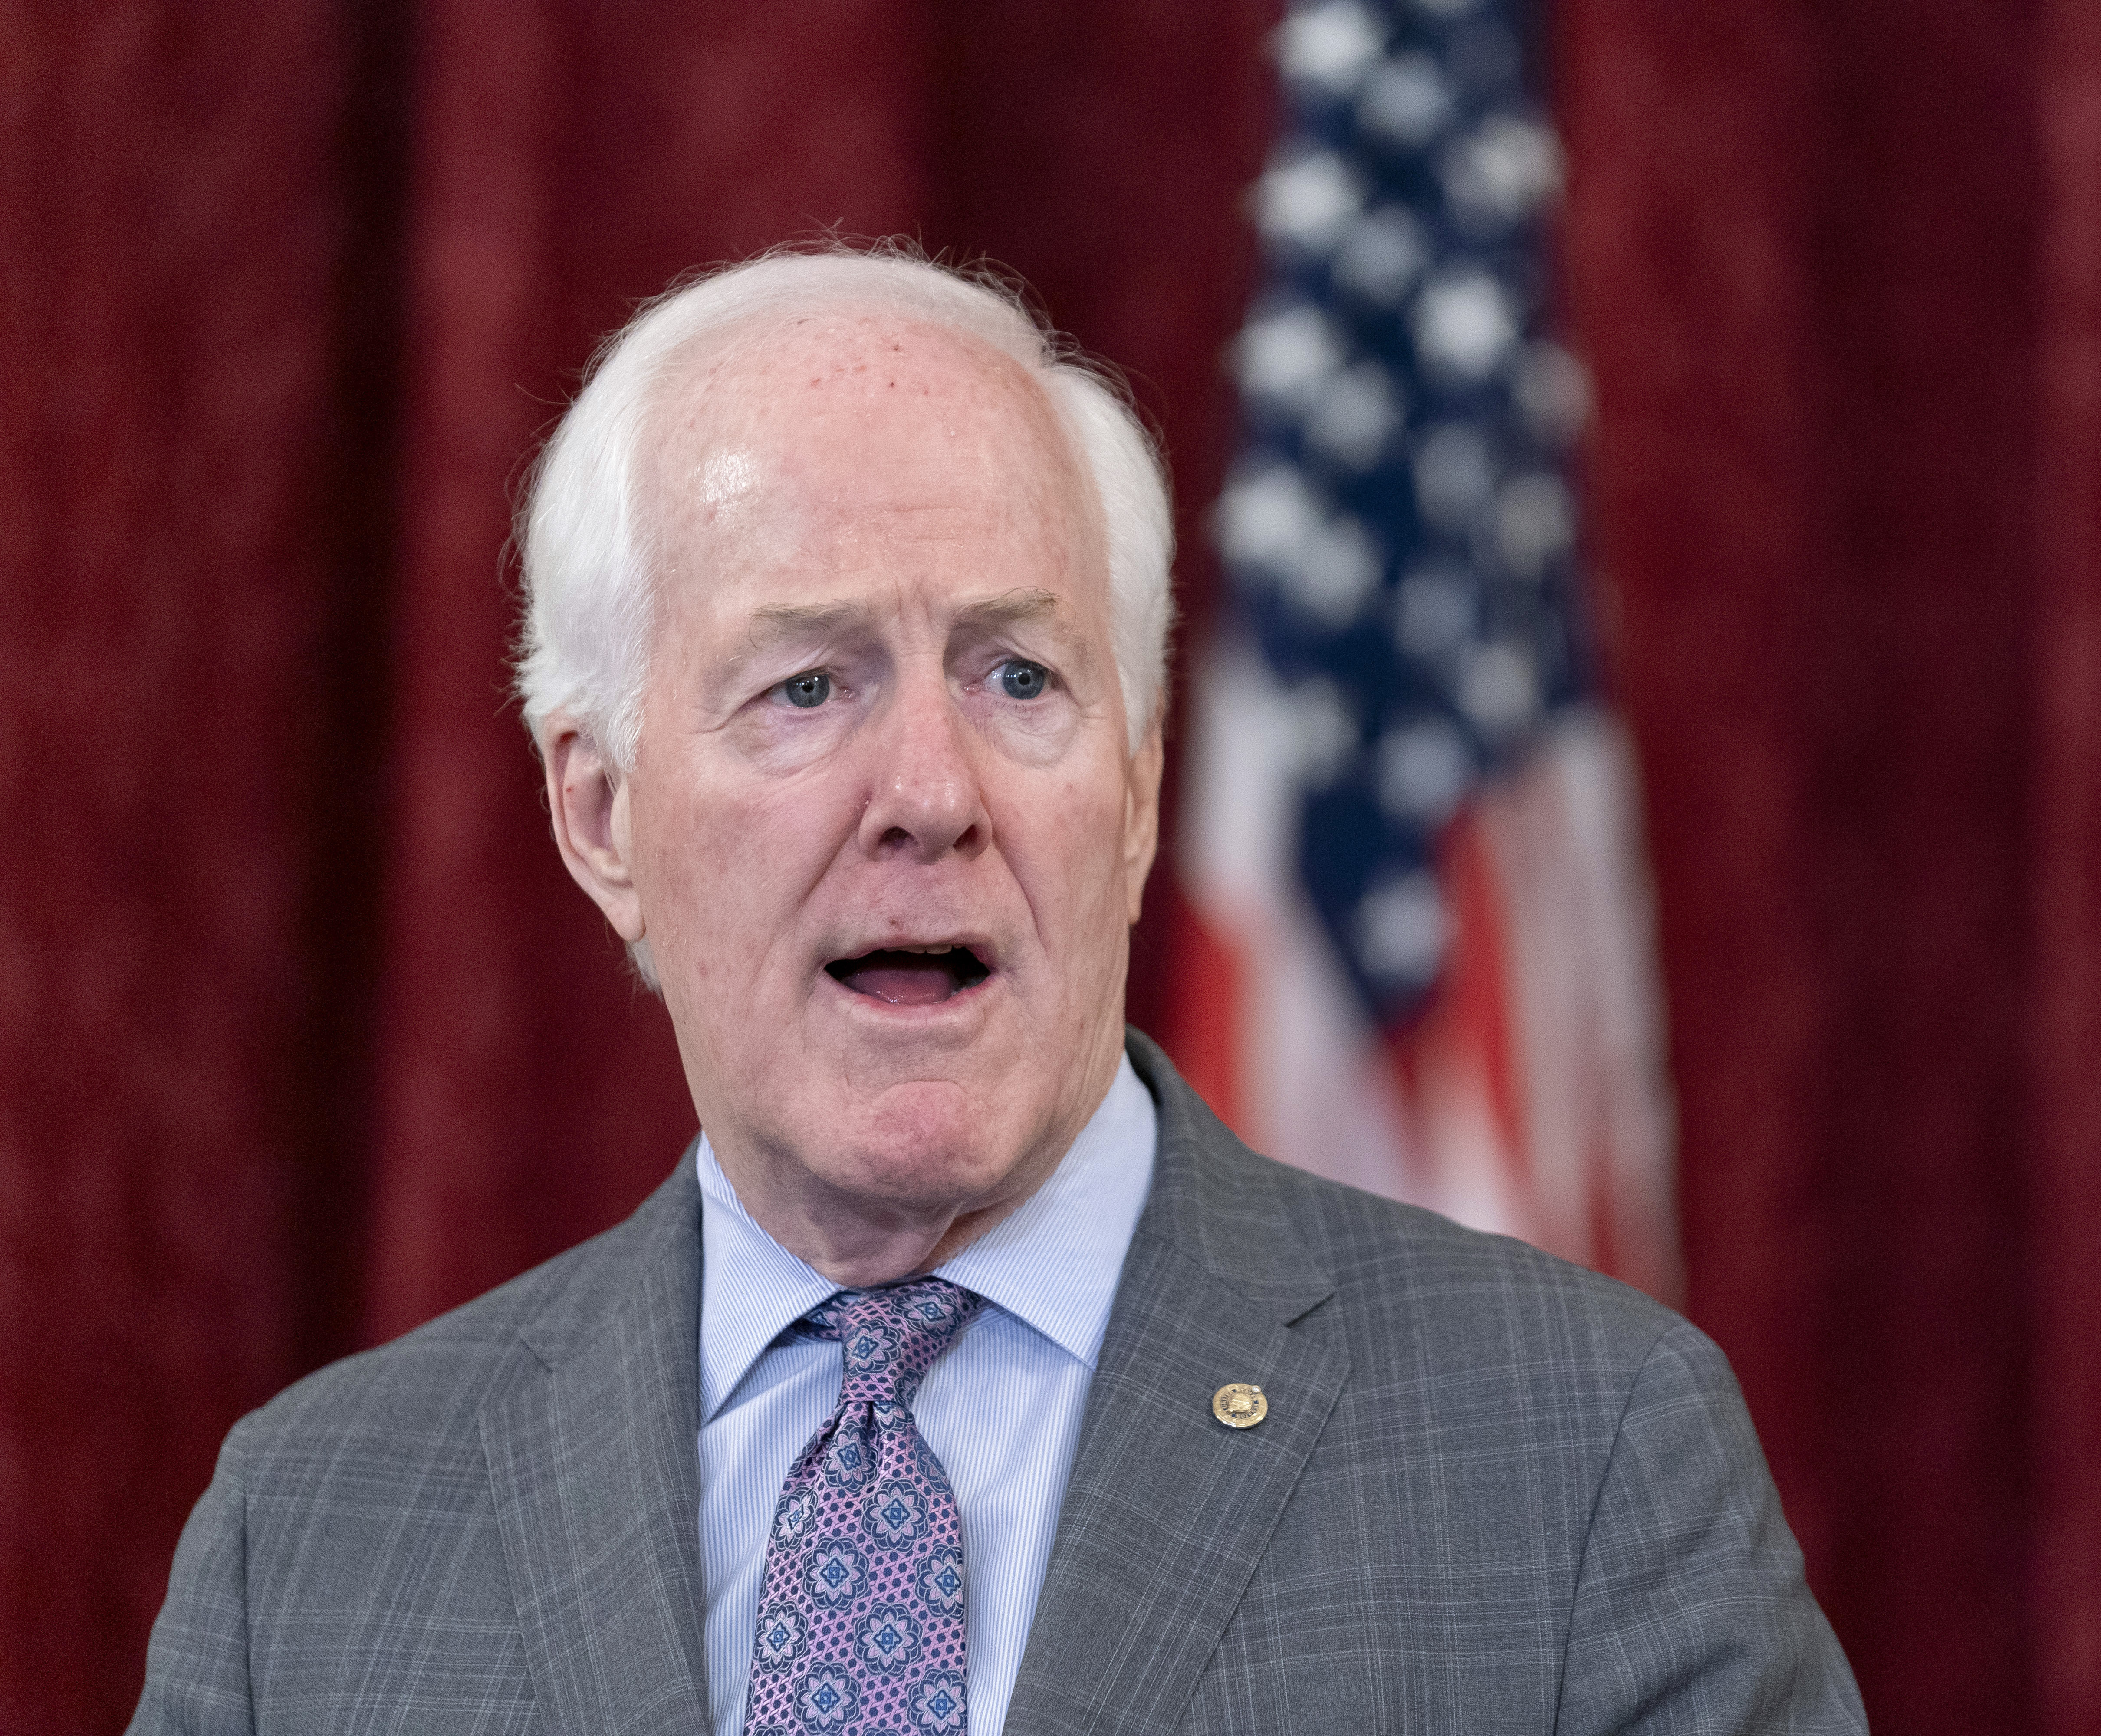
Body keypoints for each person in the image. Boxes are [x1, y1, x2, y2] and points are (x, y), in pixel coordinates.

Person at [128, 246, 1865, 1736]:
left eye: (1017, 674)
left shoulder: (1575, 1457)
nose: (931, 790)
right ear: (599, 812)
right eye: (807, 686)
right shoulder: (316, 1540)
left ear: (1137, 787)